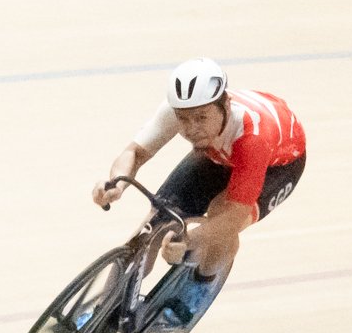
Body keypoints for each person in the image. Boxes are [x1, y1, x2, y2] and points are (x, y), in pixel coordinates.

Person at [90, 58, 306, 294]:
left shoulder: (253, 137)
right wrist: (116, 183)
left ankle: (200, 286)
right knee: (156, 220)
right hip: (218, 153)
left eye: (201, 117)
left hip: (277, 164)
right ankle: (102, 304)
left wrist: (189, 241)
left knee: (220, 216)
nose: (191, 128)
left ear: (226, 104)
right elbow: (135, 152)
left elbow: (233, 217)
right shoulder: (180, 111)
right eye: (184, 119)